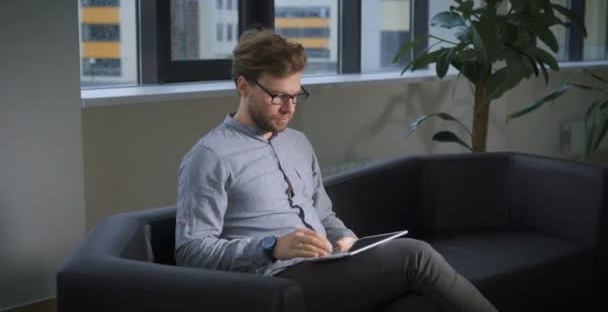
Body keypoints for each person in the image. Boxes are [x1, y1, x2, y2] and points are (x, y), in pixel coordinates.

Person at [175, 27, 498, 312]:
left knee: (415, 304)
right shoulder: (209, 156)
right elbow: (191, 251)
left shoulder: (297, 143)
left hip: (325, 268)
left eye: (296, 96)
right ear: (243, 86)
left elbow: (324, 216)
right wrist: (271, 247)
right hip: (275, 283)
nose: (289, 108)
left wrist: (346, 240)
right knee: (416, 255)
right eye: (277, 97)